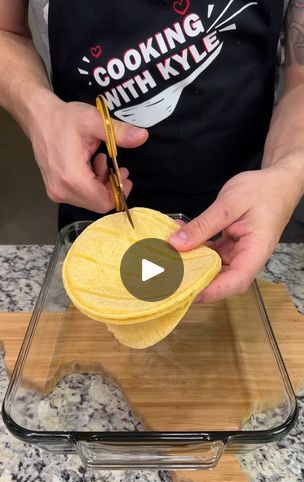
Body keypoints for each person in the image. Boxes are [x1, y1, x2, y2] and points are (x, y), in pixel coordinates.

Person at [0, 1, 303, 303]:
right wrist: (38, 111)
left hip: (244, 225)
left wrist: (289, 169)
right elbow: (5, 31)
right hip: (99, 217)